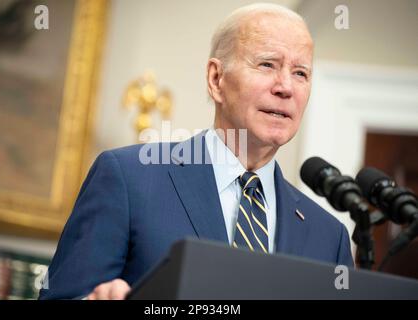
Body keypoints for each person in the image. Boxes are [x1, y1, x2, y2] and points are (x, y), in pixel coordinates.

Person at [39, 3, 353, 300]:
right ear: (216, 79)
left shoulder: (330, 237)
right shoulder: (128, 179)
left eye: (301, 73)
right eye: (267, 64)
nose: (285, 87)